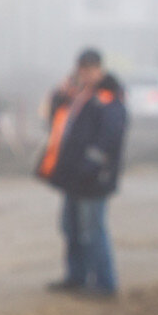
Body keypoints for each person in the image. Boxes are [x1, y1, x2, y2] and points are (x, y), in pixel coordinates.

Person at [37, 48, 128, 299]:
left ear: (100, 69)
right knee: (72, 228)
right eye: (82, 69)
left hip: (93, 178)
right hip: (74, 177)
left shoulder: (108, 97)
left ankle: (104, 283)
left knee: (92, 230)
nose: (86, 74)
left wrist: (91, 166)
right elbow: (55, 119)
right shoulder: (79, 96)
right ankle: (76, 277)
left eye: (90, 69)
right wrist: (60, 94)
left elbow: (109, 137)